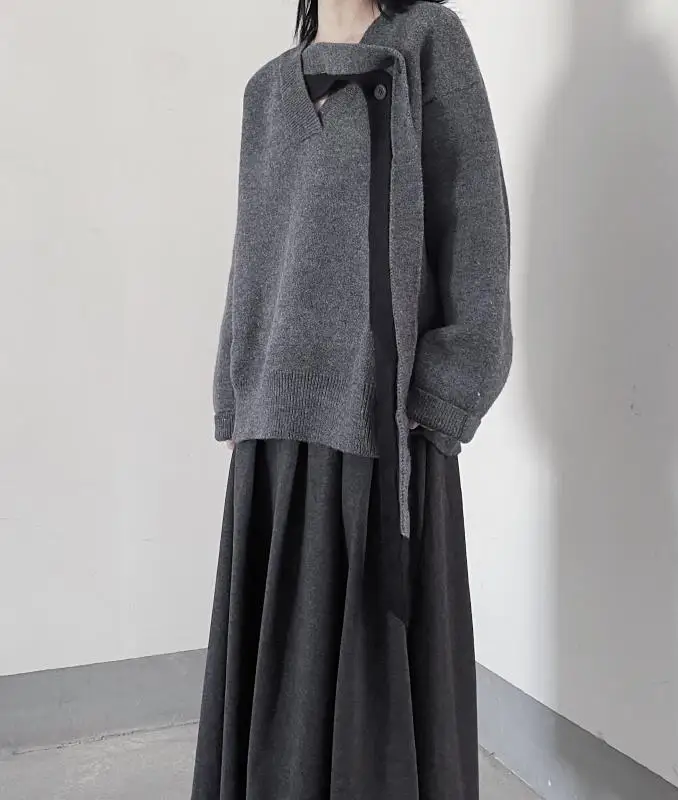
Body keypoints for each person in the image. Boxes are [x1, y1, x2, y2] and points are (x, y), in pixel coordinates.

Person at [191, 1, 511, 797]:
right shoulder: (267, 90)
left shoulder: (427, 40)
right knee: (282, 690)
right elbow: (251, 255)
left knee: (379, 696)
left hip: (384, 426)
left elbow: (476, 221)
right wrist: (234, 389)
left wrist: (447, 390)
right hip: (276, 429)